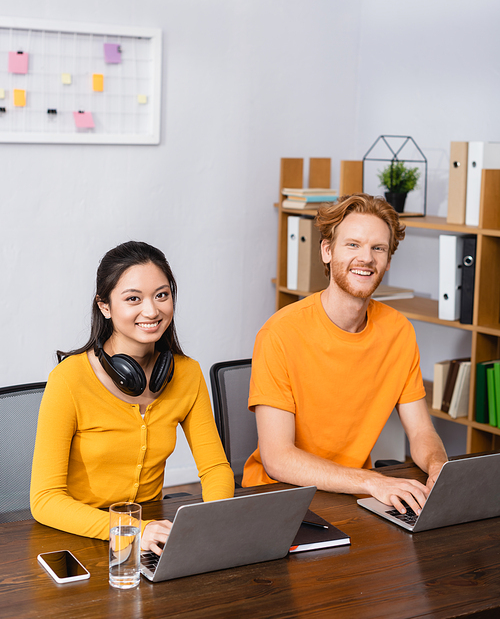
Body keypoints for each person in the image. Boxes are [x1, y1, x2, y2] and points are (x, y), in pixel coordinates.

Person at [242, 194, 447, 516]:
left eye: (378, 248)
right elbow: (277, 457)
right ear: (327, 251)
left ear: (388, 260)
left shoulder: (399, 331)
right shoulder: (280, 333)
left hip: (351, 494)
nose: (366, 258)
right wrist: (372, 482)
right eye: (353, 245)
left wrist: (439, 468)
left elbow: (421, 431)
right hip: (280, 497)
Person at [31, 241, 234, 554]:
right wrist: (133, 530)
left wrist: (212, 523)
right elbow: (45, 499)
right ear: (105, 306)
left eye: (161, 295)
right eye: (133, 299)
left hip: (151, 535)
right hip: (79, 535)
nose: (152, 310)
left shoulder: (186, 373)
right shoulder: (69, 379)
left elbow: (216, 469)